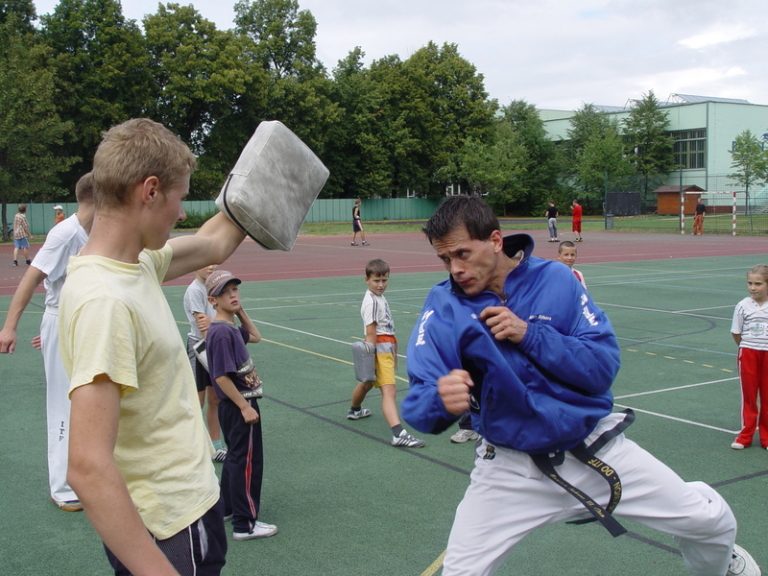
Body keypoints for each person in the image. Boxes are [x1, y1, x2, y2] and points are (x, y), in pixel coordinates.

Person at [401, 195, 758, 576]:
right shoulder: (444, 307)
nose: (455, 269)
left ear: (494, 240)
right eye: (444, 259)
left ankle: (725, 566)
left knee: (711, 523)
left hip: (593, 447)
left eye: (462, 254)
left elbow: (602, 366)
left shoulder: (556, 280)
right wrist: (439, 400)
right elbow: (419, 397)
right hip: (508, 469)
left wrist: (530, 334)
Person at [58, 118, 255, 575]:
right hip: (169, 527)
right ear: (149, 191)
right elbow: (87, 466)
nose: (182, 213)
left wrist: (261, 178)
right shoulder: (105, 301)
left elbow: (214, 242)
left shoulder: (136, 263)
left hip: (188, 504)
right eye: (180, 197)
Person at [0, 173, 95, 512]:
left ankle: (88, 475)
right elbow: (31, 278)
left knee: (92, 402)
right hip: (62, 320)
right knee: (63, 403)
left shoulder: (97, 232)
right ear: (96, 197)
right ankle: (62, 486)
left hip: (82, 322)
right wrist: (9, 327)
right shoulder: (65, 233)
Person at [204, 269, 277, 541]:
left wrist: (241, 312)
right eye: (226, 292)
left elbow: (256, 336)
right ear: (213, 300)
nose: (233, 295)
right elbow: (221, 377)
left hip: (238, 407)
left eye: (235, 290)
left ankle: (228, 507)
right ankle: (245, 523)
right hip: (240, 407)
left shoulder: (230, 328)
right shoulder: (221, 334)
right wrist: (245, 407)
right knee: (247, 462)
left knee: (236, 459)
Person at [346, 258, 424, 448]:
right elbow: (371, 333)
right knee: (389, 390)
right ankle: (398, 433)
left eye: (384, 280)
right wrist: (370, 358)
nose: (381, 285)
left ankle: (355, 410)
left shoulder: (378, 298)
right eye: (376, 280)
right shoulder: (371, 302)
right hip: (379, 349)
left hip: (386, 347)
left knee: (366, 383)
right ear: (366, 279)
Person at [183, 264, 227, 462]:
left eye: (214, 263)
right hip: (199, 348)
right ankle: (190, 446)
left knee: (215, 399)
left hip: (212, 345)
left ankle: (215, 445)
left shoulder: (213, 288)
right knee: (197, 401)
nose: (211, 267)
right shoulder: (194, 290)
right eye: (206, 263)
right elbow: (202, 324)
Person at [729, 264, 768, 451]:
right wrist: (748, 346)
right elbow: (736, 332)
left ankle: (766, 437)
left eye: (758, 283)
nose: (753, 287)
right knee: (749, 396)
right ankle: (745, 436)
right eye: (750, 283)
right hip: (748, 353)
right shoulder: (742, 305)